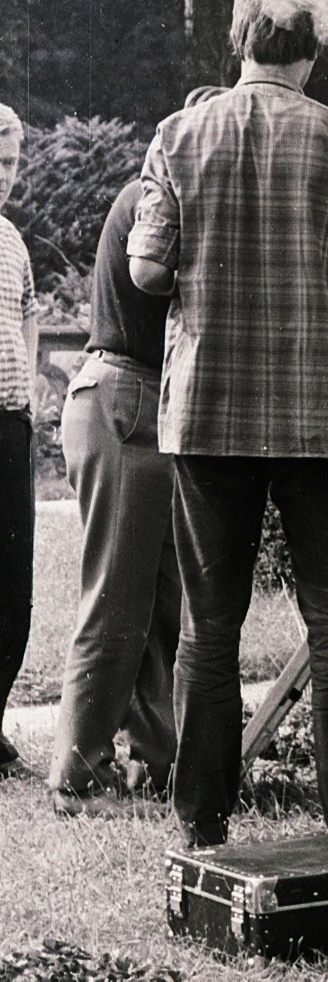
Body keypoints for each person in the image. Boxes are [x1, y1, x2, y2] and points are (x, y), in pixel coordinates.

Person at [127, 0, 328, 848]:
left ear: (239, 44)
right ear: (311, 50)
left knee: (210, 624)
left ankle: (202, 826)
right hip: (320, 419)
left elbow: (146, 271)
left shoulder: (179, 134)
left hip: (209, 414)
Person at [49, 178, 179, 814]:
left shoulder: (157, 193)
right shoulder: (157, 196)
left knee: (160, 596)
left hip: (143, 400)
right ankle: (76, 778)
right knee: (117, 598)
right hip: (126, 397)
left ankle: (157, 766)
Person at [0, 105, 37, 780]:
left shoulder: (11, 239)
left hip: (11, 423)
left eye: (9, 162)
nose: (2, 175)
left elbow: (30, 310)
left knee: (12, 588)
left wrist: (32, 390)